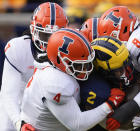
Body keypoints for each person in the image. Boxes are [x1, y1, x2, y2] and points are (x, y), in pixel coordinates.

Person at [20, 28, 125, 130]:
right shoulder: (55, 83)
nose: (87, 69)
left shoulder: (51, 60)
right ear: (60, 61)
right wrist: (110, 104)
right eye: (79, 65)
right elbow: (78, 125)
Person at [0, 2, 68, 131]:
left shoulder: (70, 50)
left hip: (51, 111)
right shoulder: (18, 48)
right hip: (17, 107)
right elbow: (8, 93)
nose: (50, 42)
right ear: (33, 30)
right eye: (45, 35)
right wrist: (18, 122)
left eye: (55, 35)